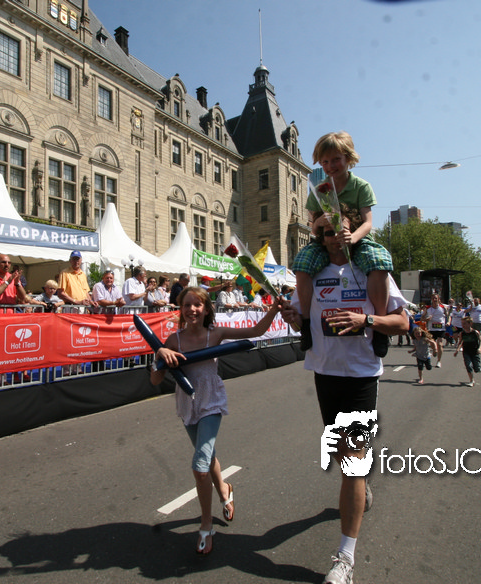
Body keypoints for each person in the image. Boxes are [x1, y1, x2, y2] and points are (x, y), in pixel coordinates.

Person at [281, 213, 408, 584]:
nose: (334, 236)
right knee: (342, 454)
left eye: (340, 229)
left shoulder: (370, 270)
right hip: (324, 373)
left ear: (352, 232)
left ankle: (345, 559)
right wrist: (292, 316)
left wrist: (365, 320)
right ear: (320, 237)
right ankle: (361, 487)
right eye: (326, 231)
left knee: (352, 462)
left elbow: (403, 323)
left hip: (361, 375)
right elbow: (301, 319)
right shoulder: (313, 273)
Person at [150, 286, 282, 555]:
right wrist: (160, 355)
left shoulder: (216, 333)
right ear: (181, 310)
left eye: (197, 305)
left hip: (211, 402)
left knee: (200, 466)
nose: (192, 310)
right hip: (188, 405)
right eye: (187, 305)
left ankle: (206, 525)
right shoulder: (173, 340)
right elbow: (154, 380)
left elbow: (256, 331)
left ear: (206, 309)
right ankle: (224, 489)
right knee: (207, 455)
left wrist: (274, 310)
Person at [291, 131, 393, 356]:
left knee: (379, 260)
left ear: (348, 158)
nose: (330, 166)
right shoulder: (319, 190)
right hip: (326, 241)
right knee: (302, 263)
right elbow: (313, 228)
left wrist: (353, 237)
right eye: (325, 162)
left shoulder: (361, 186)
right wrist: (318, 222)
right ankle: (306, 324)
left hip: (356, 239)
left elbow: (368, 223)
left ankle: (380, 324)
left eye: (336, 160)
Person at [454, 315, 481, 387]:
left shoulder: (475, 332)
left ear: (470, 324)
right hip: (466, 351)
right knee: (468, 365)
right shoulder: (462, 333)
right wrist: (457, 350)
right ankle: (471, 380)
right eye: (462, 323)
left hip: (474, 351)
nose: (463, 325)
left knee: (477, 368)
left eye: (464, 323)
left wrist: (480, 348)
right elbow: (460, 342)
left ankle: (477, 367)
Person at [422, 293, 449, 367]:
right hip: (431, 329)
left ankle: (439, 361)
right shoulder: (427, 308)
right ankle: (434, 350)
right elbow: (422, 318)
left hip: (441, 328)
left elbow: (448, 316)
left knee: (439, 344)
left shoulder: (443, 307)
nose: (434, 300)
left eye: (436, 298)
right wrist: (426, 319)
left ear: (438, 299)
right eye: (433, 298)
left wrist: (448, 322)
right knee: (432, 344)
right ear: (431, 299)